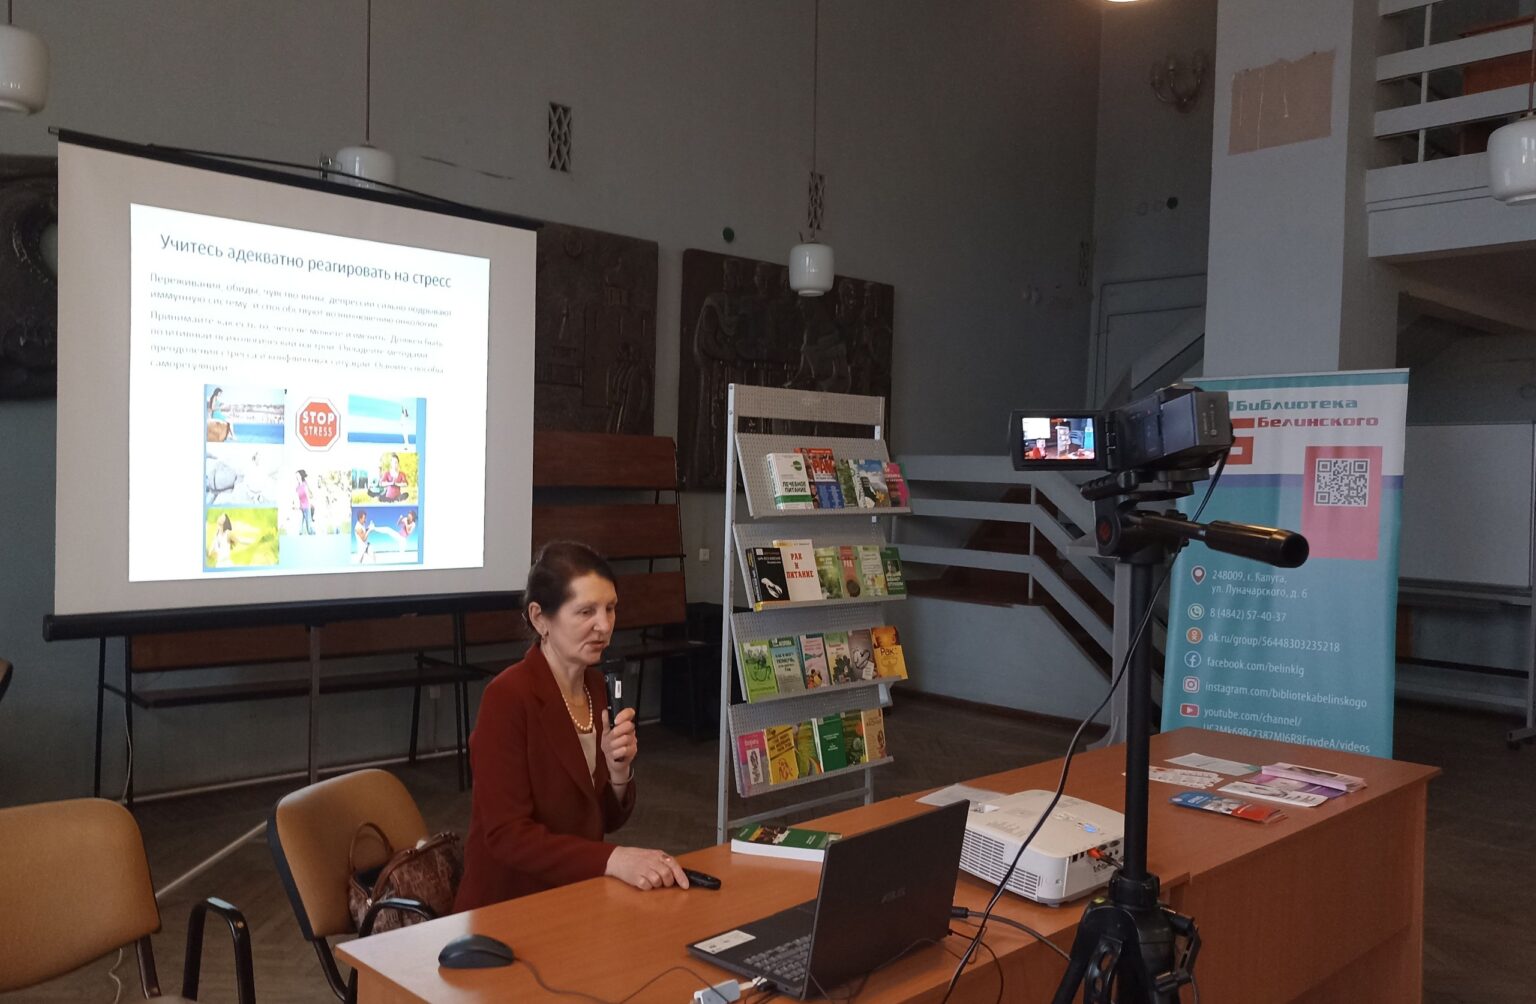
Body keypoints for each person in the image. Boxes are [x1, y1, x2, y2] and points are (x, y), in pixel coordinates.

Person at [454, 541, 688, 911]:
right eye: (585, 611)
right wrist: (613, 859)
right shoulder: (508, 696)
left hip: (577, 893)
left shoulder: (598, 686)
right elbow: (507, 835)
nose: (604, 625)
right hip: (509, 906)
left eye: (610, 608)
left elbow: (602, 820)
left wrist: (619, 774)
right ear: (539, 618)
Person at [295, 470, 314, 535]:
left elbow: (309, 494)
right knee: (300, 524)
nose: (296, 477)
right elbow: (297, 497)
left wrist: (310, 503)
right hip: (301, 507)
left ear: (301, 476)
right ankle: (300, 533)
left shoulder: (305, 484)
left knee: (308, 525)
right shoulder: (297, 487)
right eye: (296, 476)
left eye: (297, 475)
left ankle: (312, 533)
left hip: (307, 506)